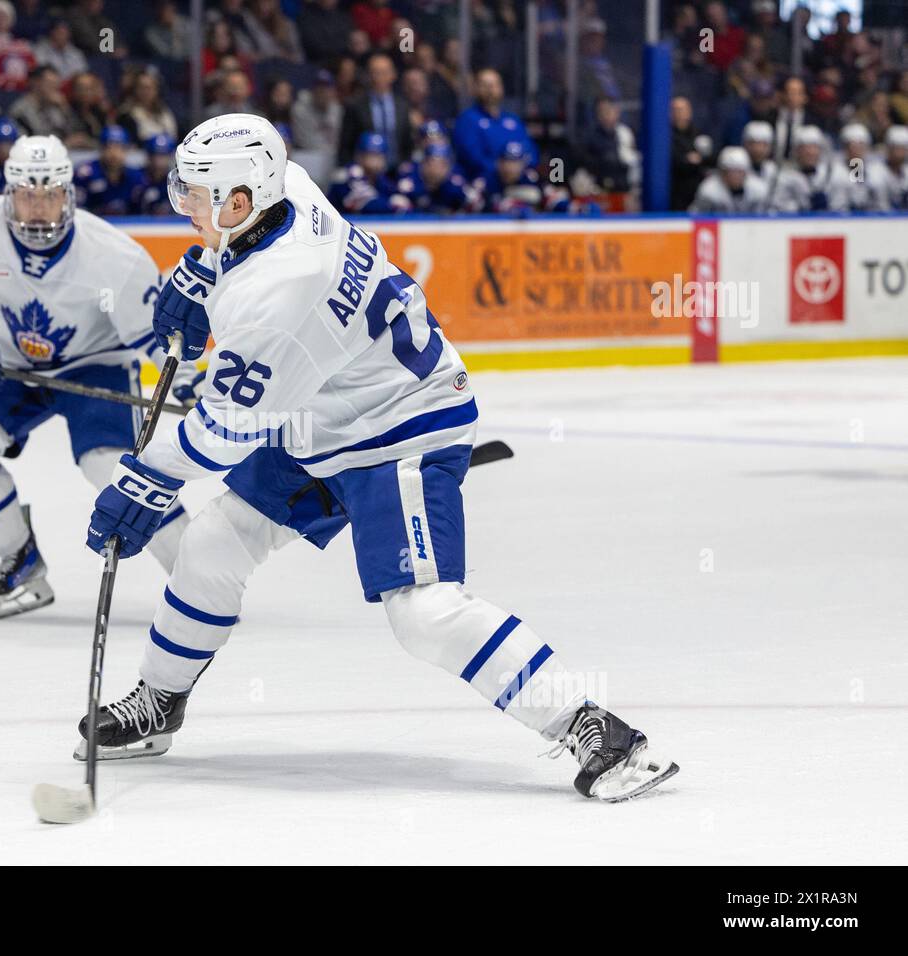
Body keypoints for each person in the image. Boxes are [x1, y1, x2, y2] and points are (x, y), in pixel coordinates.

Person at [76, 113, 679, 803]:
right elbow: (237, 267)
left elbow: (222, 433)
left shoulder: (279, 294)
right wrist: (200, 271)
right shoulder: (290, 188)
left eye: (194, 197)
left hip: (401, 427)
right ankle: (160, 700)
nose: (182, 207)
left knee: (423, 614)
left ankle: (595, 727)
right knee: (213, 541)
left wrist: (143, 480)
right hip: (323, 413)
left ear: (239, 200)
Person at [0, 136, 189, 619]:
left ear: (68, 194)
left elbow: (158, 339)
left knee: (109, 466)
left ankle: (198, 576)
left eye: (51, 195)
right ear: (9, 193)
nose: (40, 207)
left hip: (97, 363)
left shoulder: (113, 255)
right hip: (8, 364)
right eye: (29, 194)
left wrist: (191, 382)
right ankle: (20, 561)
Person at [453, 68, 537, 183]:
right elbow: (472, 157)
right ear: (475, 89)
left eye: (494, 85)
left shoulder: (513, 120)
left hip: (520, 180)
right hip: (484, 183)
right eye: (485, 85)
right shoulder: (467, 120)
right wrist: (504, 170)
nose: (490, 90)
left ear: (501, 88)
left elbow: (531, 151)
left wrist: (519, 169)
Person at [73, 125, 146, 216]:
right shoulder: (85, 175)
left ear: (126, 150)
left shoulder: (136, 177)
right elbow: (78, 212)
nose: (114, 153)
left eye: (119, 148)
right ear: (101, 149)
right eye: (109, 147)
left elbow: (140, 215)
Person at [327, 132, 407, 214]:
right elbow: (366, 205)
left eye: (381, 155)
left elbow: (393, 194)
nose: (378, 160)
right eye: (373, 155)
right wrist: (392, 204)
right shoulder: (348, 174)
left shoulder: (380, 178)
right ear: (360, 156)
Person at [391, 142, 480, 214]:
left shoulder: (456, 186)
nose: (437, 170)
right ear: (424, 164)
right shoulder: (409, 183)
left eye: (442, 165)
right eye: (432, 164)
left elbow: (475, 204)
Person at [771, 125, 835, 212]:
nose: (810, 152)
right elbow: (777, 208)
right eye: (805, 148)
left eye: (814, 147)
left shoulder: (831, 175)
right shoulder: (785, 177)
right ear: (797, 151)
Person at [688, 146, 768, 213]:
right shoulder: (708, 190)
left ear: (746, 172)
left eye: (739, 171)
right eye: (731, 171)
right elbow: (694, 218)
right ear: (722, 172)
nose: (735, 176)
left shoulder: (759, 190)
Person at [137, 133, 178, 215]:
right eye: (156, 154)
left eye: (163, 155)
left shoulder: (176, 181)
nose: (159, 161)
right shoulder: (137, 179)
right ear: (149, 156)